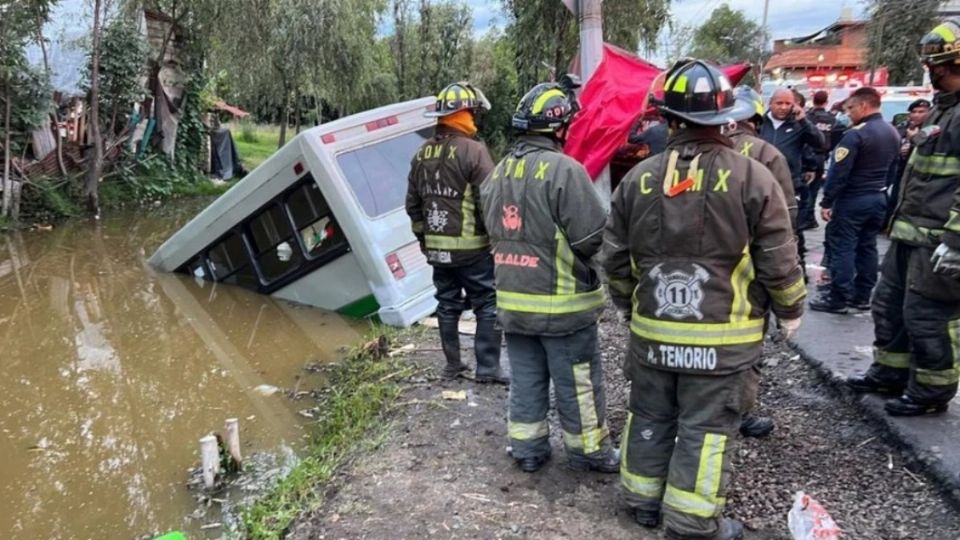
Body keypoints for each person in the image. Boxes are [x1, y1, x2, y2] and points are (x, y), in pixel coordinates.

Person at [604, 60, 805, 539]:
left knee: (650, 415)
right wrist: (790, 310)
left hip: (652, 335)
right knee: (705, 428)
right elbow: (779, 257)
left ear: (668, 118)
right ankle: (692, 523)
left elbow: (613, 258)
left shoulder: (638, 179)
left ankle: (641, 501)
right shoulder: (753, 177)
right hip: (721, 344)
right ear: (725, 116)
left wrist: (632, 306)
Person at [480, 75, 618, 474]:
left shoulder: (500, 172)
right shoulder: (565, 170)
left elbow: (489, 232)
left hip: (512, 303)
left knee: (526, 379)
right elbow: (593, 236)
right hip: (562, 306)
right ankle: (589, 452)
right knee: (578, 384)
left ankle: (527, 449)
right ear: (559, 127)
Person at [847, 19, 960, 417]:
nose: (934, 73)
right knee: (889, 304)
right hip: (911, 234)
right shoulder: (941, 112)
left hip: (939, 240)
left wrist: (955, 241)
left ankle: (931, 390)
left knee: (927, 315)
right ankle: (890, 373)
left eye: (941, 67)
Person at [405, 81, 508, 384]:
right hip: (473, 249)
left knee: (447, 303)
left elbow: (412, 205)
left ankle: (453, 366)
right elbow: (490, 200)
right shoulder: (473, 151)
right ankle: (487, 368)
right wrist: (498, 241)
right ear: (464, 113)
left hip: (438, 251)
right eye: (473, 112)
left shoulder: (421, 154)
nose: (475, 118)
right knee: (487, 303)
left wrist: (425, 242)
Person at [725, 85, 800, 440]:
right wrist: (789, 295)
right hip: (750, 268)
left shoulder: (695, 151)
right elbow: (783, 223)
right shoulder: (766, 154)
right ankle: (738, 412)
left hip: (700, 264)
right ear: (756, 117)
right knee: (746, 339)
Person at [810, 87, 901, 314]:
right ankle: (862, 295)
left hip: (853, 199)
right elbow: (893, 169)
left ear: (863, 105)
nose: (847, 114)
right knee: (867, 247)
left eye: (850, 108)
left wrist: (827, 201)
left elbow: (838, 173)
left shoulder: (856, 135)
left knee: (843, 248)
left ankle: (838, 298)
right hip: (878, 197)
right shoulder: (892, 132)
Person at [760, 88, 825, 276]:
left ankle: (798, 271)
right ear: (770, 103)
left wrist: (803, 121)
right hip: (760, 186)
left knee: (793, 231)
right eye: (779, 103)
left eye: (788, 103)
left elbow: (819, 143)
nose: (783, 107)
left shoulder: (799, 125)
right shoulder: (759, 124)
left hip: (788, 187)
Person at [890, 98, 932, 218]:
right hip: (901, 171)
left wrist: (914, 141)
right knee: (895, 198)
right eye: (914, 112)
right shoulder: (903, 128)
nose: (917, 115)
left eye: (921, 111)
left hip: (920, 175)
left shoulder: (931, 130)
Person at [804, 90, 838, 229]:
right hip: (821, 157)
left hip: (807, 156)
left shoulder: (807, 117)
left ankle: (806, 217)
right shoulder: (832, 119)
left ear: (813, 101)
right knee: (814, 189)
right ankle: (810, 217)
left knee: (805, 189)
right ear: (826, 102)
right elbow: (836, 137)